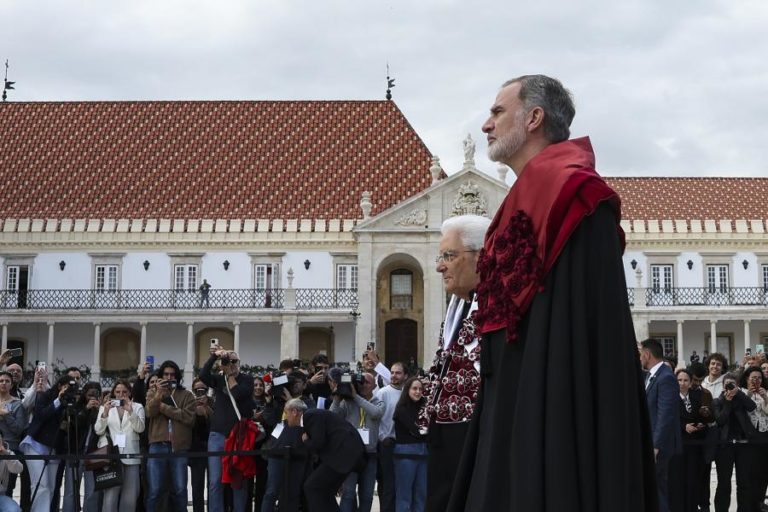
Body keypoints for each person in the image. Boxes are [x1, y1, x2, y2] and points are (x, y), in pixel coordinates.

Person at [448, 74, 656, 512]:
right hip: (511, 402)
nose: (486, 124)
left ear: (534, 118)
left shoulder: (578, 195)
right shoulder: (521, 199)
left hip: (557, 406)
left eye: (498, 111)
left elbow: (588, 328)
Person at [420, 214, 488, 512]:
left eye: (449, 256)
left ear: (480, 256)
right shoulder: (458, 305)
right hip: (444, 435)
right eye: (441, 257)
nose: (440, 266)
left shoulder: (497, 309)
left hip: (474, 435)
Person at [199, 344, 254, 512]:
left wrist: (229, 374)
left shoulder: (247, 379)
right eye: (228, 361)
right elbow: (203, 375)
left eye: (234, 361)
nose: (231, 364)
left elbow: (238, 394)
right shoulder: (218, 379)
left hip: (238, 436)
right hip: (217, 435)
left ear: (239, 363)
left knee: (238, 480)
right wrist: (214, 356)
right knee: (215, 481)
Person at [284, 398, 365, 512]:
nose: (285, 417)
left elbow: (318, 442)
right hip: (343, 455)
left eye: (286, 413)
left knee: (311, 487)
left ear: (294, 412)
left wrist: (306, 441)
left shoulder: (309, 416)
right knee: (324, 490)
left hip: (343, 454)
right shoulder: (311, 417)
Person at [145, 360, 196, 512]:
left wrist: (163, 407)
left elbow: (189, 418)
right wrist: (159, 394)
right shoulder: (152, 393)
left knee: (180, 489)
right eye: (166, 374)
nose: (169, 377)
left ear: (177, 377)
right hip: (157, 445)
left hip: (179, 447)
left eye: (172, 375)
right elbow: (150, 412)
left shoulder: (187, 395)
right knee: (155, 490)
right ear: (161, 376)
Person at [329, 371, 383, 512]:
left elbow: (376, 413)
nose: (363, 385)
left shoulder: (378, 402)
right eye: (361, 382)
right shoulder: (347, 402)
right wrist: (337, 398)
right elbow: (331, 417)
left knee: (367, 496)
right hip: (351, 454)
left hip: (370, 455)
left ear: (374, 386)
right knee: (348, 494)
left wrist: (355, 396)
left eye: (367, 382)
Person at [640, 338, 682, 512]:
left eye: (640, 354)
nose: (639, 358)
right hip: (652, 444)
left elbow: (666, 415)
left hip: (659, 447)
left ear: (647, 354)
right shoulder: (653, 375)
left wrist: (656, 446)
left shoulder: (666, 377)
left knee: (657, 490)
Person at [19, 375, 70, 512]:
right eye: (66, 387)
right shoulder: (46, 396)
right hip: (36, 444)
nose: (68, 391)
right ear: (59, 386)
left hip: (54, 446)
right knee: (41, 485)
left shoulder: (71, 401)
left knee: (51, 487)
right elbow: (41, 415)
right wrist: (59, 400)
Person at [94, 379, 145, 512]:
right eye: (117, 392)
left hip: (131, 454)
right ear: (113, 393)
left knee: (130, 496)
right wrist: (105, 413)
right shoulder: (105, 407)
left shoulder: (137, 407)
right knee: (110, 497)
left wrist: (130, 411)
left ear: (129, 393)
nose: (121, 395)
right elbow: (98, 430)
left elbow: (140, 428)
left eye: (124, 392)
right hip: (112, 455)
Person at [713, 373, 756, 512]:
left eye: (733, 384)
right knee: (724, 483)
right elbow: (720, 420)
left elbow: (752, 406)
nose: (730, 387)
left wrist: (739, 394)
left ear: (737, 385)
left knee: (744, 482)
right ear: (723, 386)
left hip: (743, 445)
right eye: (728, 384)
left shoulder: (741, 399)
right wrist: (727, 401)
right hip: (725, 446)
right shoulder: (718, 401)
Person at [669, 368, 706, 512]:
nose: (682, 383)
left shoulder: (697, 397)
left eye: (685, 380)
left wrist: (701, 424)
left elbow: (702, 417)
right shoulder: (670, 397)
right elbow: (668, 419)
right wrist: (683, 426)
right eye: (679, 380)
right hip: (677, 445)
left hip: (694, 445)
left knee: (692, 479)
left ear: (691, 383)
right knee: (677, 479)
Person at [374, 362, 407, 512]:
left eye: (398, 373)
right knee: (388, 484)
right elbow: (376, 418)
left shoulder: (408, 393)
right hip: (387, 444)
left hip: (404, 444)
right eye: (392, 372)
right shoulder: (383, 393)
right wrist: (382, 437)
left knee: (400, 484)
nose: (394, 376)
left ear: (405, 376)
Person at [394, 377, 428, 512]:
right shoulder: (401, 409)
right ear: (407, 390)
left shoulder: (425, 407)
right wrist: (424, 431)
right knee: (404, 496)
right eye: (414, 388)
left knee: (421, 495)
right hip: (405, 456)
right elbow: (416, 430)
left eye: (420, 389)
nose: (418, 392)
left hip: (423, 455)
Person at [741, 366, 768, 510]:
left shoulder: (766, 392)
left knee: (763, 470)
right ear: (747, 378)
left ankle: (759, 502)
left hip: (764, 435)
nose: (756, 381)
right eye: (753, 378)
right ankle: (748, 505)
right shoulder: (742, 392)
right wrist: (749, 396)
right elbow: (740, 411)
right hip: (748, 436)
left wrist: (766, 398)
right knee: (749, 472)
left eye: (759, 378)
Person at [189, 378, 212, 512]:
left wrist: (207, 409)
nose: (200, 392)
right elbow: (187, 423)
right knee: (197, 485)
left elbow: (218, 423)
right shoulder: (189, 403)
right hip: (196, 450)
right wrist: (194, 410)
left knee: (212, 484)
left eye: (202, 389)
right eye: (197, 390)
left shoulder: (213, 402)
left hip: (212, 448)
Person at [0, 434, 22, 512]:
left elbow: (18, 469)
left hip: (1, 496)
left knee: (14, 510)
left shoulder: (8, 453)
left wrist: (6, 455)